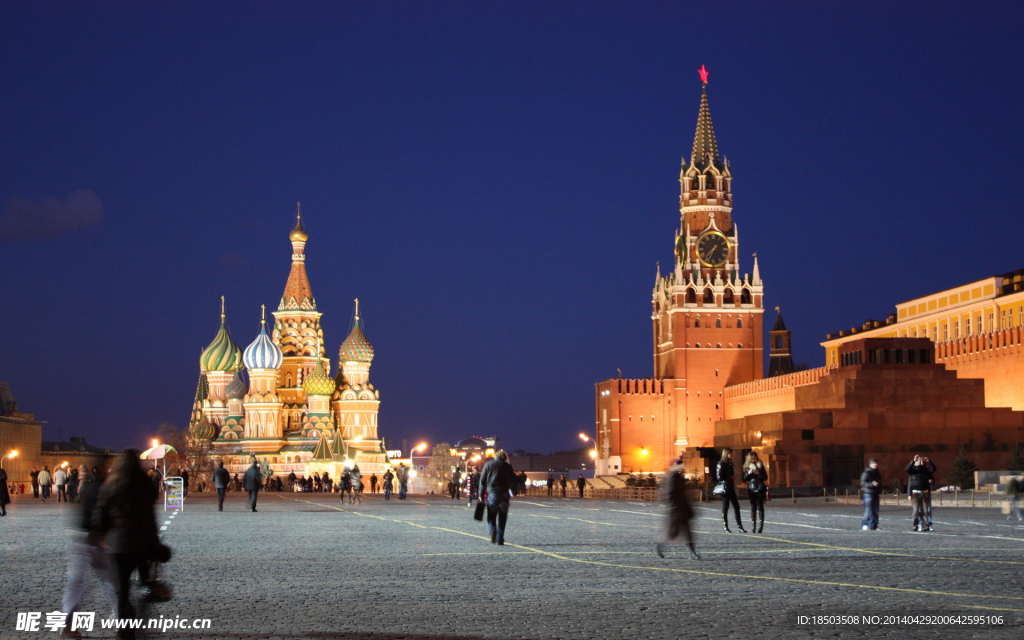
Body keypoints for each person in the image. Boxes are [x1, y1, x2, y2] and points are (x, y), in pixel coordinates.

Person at [94, 450, 163, 640]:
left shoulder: (110, 484)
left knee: (121, 592)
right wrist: (154, 542)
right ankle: (140, 621)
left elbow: (99, 515)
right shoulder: (144, 484)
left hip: (117, 546)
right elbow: (150, 517)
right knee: (145, 585)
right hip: (141, 544)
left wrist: (103, 534)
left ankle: (126, 631)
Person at [61, 465, 118, 638]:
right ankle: (119, 619)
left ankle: (69, 623)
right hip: (96, 539)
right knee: (112, 581)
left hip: (79, 536)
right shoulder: (107, 489)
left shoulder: (86, 485)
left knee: (76, 583)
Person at [655, 456, 699, 560]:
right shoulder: (672, 477)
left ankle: (692, 553)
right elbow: (669, 494)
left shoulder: (678, 476)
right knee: (670, 533)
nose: (682, 467)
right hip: (675, 510)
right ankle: (658, 547)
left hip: (682, 508)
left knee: (687, 532)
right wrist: (674, 505)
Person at [479, 450, 517, 545]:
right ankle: (500, 539)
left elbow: (482, 481)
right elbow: (513, 479)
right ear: (504, 457)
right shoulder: (507, 466)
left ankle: (492, 530)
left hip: (492, 493)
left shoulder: (488, 464)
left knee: (491, 516)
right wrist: (511, 489)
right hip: (504, 494)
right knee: (502, 517)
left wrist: (480, 495)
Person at [717, 448, 746, 533]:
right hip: (725, 488)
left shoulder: (730, 463)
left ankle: (739, 526)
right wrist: (730, 477)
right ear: (726, 454)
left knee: (736, 506)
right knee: (725, 506)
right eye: (730, 453)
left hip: (731, 487)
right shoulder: (721, 463)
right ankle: (725, 527)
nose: (731, 455)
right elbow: (719, 477)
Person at [906, 455, 934, 532]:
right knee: (916, 511)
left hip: (924, 492)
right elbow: (907, 470)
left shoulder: (925, 470)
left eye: (920, 460)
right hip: (915, 493)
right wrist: (913, 461)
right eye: (918, 460)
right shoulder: (913, 471)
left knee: (926, 511)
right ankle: (915, 526)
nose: (919, 461)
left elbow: (933, 469)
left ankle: (926, 526)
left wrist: (929, 461)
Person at [743, 452, 768, 534]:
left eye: (755, 458)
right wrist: (748, 474)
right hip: (751, 488)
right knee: (753, 506)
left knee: (760, 506)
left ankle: (761, 526)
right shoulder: (747, 467)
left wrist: (759, 474)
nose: (754, 459)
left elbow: (765, 477)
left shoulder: (760, 466)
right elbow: (744, 479)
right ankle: (753, 526)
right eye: (752, 458)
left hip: (760, 488)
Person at [861, 458, 882, 531]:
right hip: (868, 493)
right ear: (870, 464)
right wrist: (872, 484)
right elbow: (863, 483)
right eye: (873, 463)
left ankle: (874, 525)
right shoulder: (866, 473)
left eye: (876, 463)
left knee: (875, 510)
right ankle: (865, 524)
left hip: (875, 493)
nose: (875, 464)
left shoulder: (877, 472)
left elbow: (879, 482)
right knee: (868, 509)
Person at [921, 456, 937, 531]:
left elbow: (933, 469)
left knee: (928, 509)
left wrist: (929, 462)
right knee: (920, 510)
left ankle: (928, 524)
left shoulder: (927, 470)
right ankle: (921, 524)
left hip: (926, 491)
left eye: (923, 461)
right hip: (918, 491)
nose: (922, 462)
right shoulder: (915, 470)